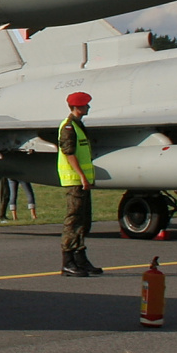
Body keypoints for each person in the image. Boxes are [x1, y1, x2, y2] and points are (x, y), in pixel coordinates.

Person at [57, 92, 101, 276]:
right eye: (85, 105)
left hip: (81, 181)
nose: (88, 107)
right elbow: (69, 153)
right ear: (77, 107)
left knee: (83, 221)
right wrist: (82, 176)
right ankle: (68, 262)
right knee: (73, 220)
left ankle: (80, 258)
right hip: (74, 181)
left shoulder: (78, 125)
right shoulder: (68, 127)